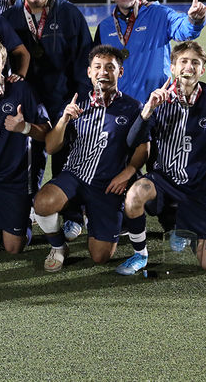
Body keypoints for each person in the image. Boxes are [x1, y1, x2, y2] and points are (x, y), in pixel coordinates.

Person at [33, 45, 147, 273]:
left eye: (109, 67)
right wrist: (64, 120)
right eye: (97, 67)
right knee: (42, 203)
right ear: (89, 72)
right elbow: (51, 147)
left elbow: (143, 147)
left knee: (100, 256)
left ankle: (100, 218)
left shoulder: (133, 107)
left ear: (120, 72)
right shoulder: (76, 104)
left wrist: (128, 172)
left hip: (107, 184)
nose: (103, 72)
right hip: (75, 176)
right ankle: (58, 247)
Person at [2, 0, 93, 211]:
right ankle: (30, 205)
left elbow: (85, 59)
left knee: (67, 157)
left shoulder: (69, 13)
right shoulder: (10, 16)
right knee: (29, 154)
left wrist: (81, 100)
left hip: (64, 99)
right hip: (28, 100)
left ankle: (73, 213)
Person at [124, 40, 206, 272]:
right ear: (173, 67)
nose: (189, 67)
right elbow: (132, 141)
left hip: (203, 188)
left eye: (195, 63)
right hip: (164, 181)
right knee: (135, 195)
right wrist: (147, 112)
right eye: (183, 62)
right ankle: (140, 255)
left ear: (202, 69)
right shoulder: (159, 98)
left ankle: (187, 228)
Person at [0, 37, 50, 253]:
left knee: (13, 248)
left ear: (3, 64)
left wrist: (24, 128)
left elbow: (47, 133)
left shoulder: (21, 90)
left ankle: (22, 218)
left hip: (11, 177)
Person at [94, 0, 206, 103]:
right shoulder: (105, 27)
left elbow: (183, 31)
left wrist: (194, 20)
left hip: (157, 102)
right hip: (120, 105)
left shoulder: (159, 14)